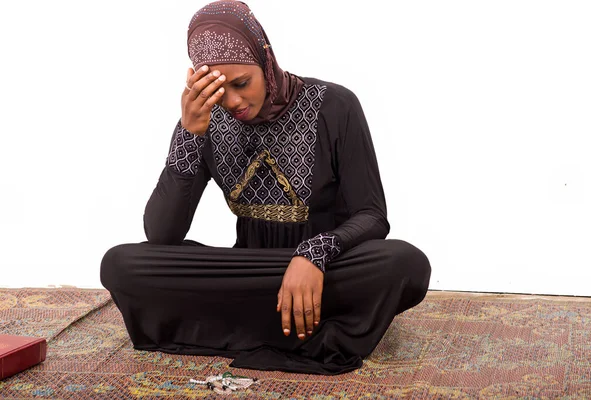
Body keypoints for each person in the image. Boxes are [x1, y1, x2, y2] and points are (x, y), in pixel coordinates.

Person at [100, 0, 431, 375]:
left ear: (266, 60)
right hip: (249, 272)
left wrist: (312, 254)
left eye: (242, 84)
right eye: (219, 92)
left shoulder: (335, 106)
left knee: (404, 263)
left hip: (326, 273)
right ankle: (286, 326)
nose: (234, 102)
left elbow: (372, 216)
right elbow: (161, 234)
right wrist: (189, 135)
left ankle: (237, 326)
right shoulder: (203, 121)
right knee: (120, 263)